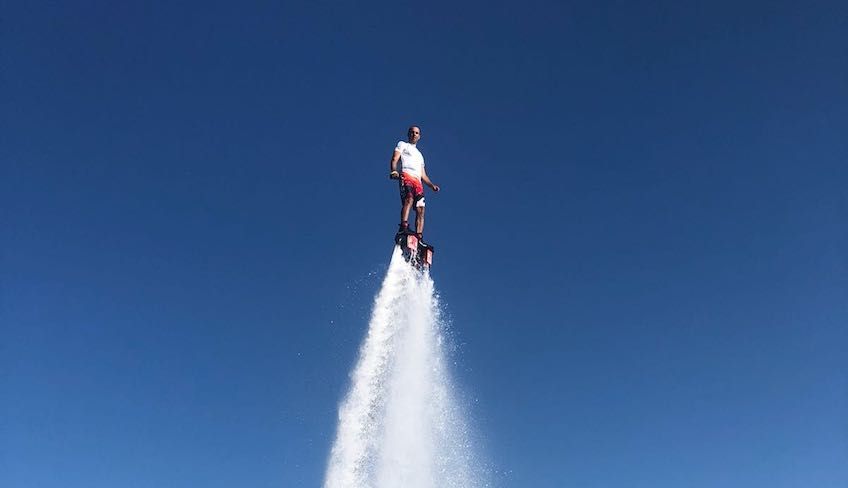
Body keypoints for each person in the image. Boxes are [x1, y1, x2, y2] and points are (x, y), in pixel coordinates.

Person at [389, 126, 440, 240]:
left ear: (419, 136)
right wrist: (393, 170)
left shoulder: (420, 155)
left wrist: (431, 186)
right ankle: (404, 226)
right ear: (408, 134)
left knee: (421, 208)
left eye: (416, 133)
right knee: (409, 199)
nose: (414, 134)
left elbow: (423, 174)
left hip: (418, 182)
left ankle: (419, 236)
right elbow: (395, 158)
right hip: (406, 175)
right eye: (412, 132)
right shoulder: (402, 144)